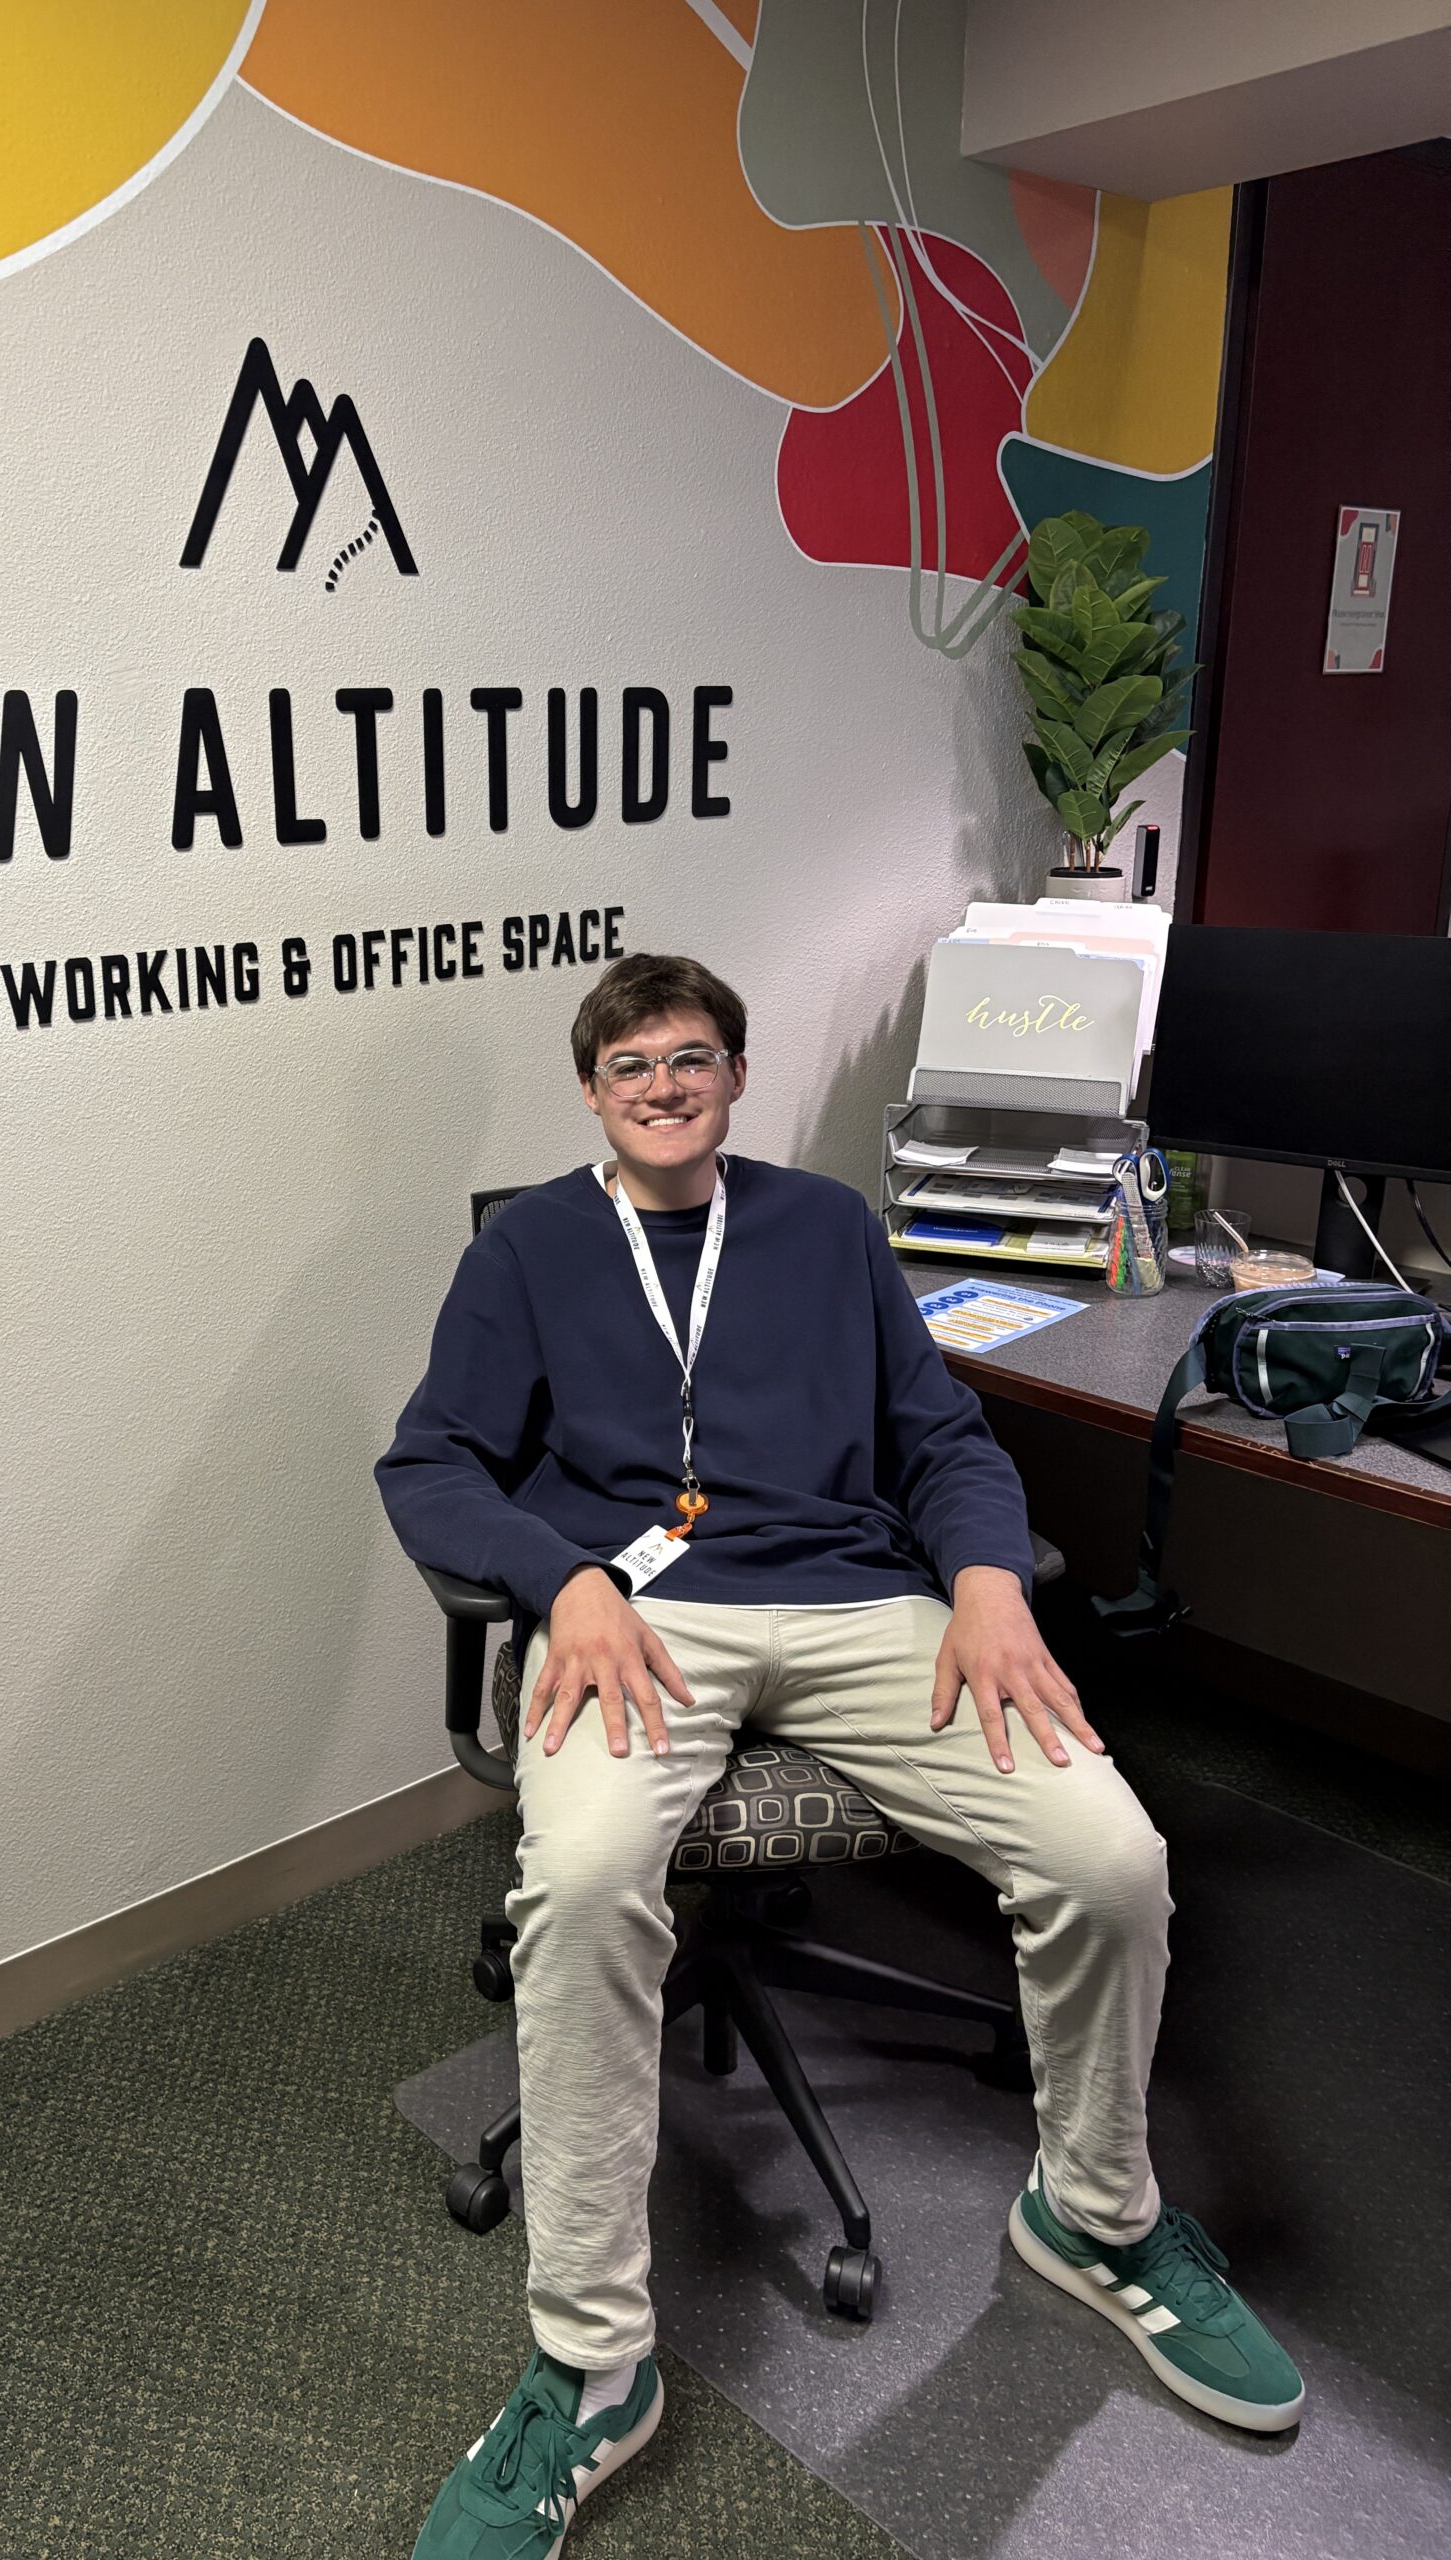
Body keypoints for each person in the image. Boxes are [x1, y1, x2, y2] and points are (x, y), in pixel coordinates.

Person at [376, 953, 1304, 2558]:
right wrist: (562, 1581)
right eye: (630, 1067)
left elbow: (940, 1433)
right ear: (589, 1094)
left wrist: (993, 1581)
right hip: (637, 1623)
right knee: (586, 1883)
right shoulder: (531, 1248)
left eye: (694, 1058)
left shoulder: (822, 1231)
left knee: (1112, 1860)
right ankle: (595, 2367)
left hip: (858, 1601)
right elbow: (433, 1462)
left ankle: (1098, 2214)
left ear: (736, 1075)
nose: (664, 1086)